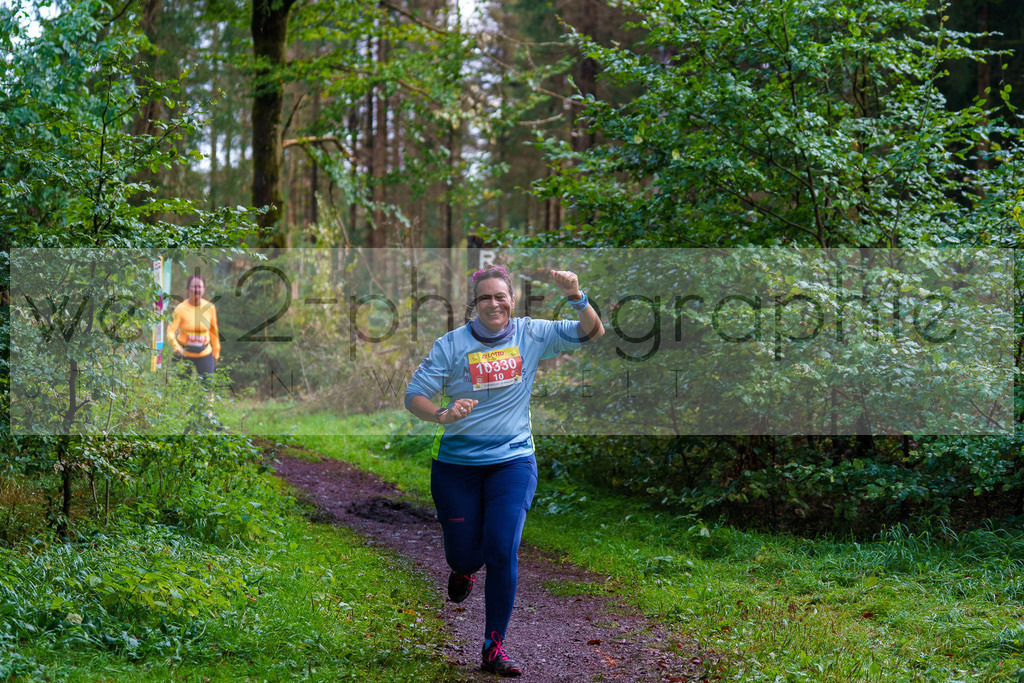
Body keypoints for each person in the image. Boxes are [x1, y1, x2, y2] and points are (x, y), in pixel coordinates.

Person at [405, 265, 604, 677]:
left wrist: (575, 295)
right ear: (473, 303)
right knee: (464, 555)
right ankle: (463, 570)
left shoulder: (532, 333)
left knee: (501, 548)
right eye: (484, 298)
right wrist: (443, 414)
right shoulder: (451, 345)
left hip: (513, 460)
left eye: (500, 296)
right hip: (457, 466)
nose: (493, 304)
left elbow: (592, 332)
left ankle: (493, 647)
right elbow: (414, 396)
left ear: (511, 299)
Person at [167, 274, 220, 379]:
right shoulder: (180, 309)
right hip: (184, 354)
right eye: (193, 286)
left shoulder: (210, 308)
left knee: (207, 387)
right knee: (181, 389)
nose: (196, 290)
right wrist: (176, 347)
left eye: (199, 287)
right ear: (188, 289)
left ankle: (208, 396)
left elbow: (214, 332)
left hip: (205, 353)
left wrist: (216, 352)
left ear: (204, 289)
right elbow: (170, 331)